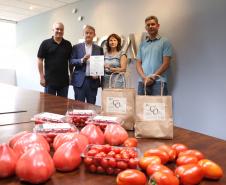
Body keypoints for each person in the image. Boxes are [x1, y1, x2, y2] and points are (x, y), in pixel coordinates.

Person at [136, 15, 173, 95]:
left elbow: (166, 63)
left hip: (159, 82)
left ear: (158, 26)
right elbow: (138, 63)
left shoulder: (165, 42)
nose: (150, 26)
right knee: (141, 107)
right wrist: (144, 78)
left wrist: (153, 78)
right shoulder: (142, 44)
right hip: (143, 82)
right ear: (146, 28)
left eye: (153, 24)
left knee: (159, 107)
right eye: (148, 25)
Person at [70, 25, 104, 104]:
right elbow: (71, 61)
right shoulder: (76, 47)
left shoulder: (99, 49)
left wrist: (99, 75)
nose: (88, 35)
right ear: (83, 34)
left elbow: (101, 64)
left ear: (94, 35)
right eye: (86, 33)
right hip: (79, 81)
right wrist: (82, 60)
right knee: (79, 106)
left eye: (91, 33)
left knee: (91, 106)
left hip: (93, 81)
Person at [37, 22, 72, 97]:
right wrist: (41, 77)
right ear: (53, 30)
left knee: (62, 106)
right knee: (49, 105)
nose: (59, 31)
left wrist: (71, 75)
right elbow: (40, 60)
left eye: (61, 29)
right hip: (49, 81)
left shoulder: (68, 44)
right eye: (57, 29)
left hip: (64, 82)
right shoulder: (45, 43)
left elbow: (70, 61)